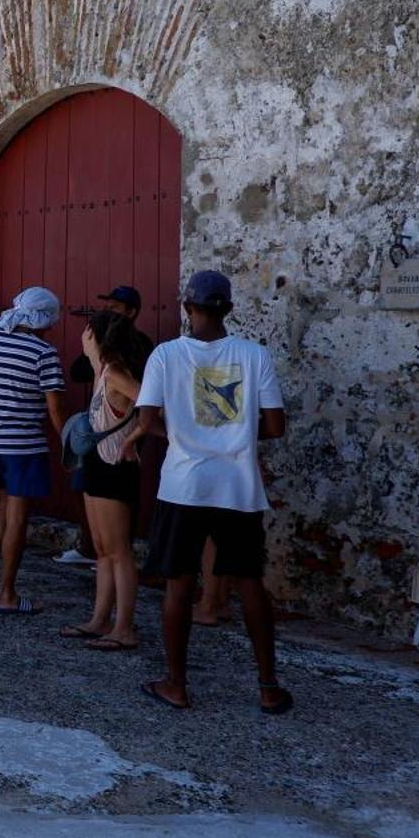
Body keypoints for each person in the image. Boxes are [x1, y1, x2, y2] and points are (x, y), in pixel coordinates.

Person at [130, 270, 293, 715]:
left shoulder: (165, 355)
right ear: (229, 308)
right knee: (249, 584)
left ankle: (176, 684)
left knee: (178, 585)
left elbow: (146, 422)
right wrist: (231, 434)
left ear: (187, 307)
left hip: (184, 484)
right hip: (238, 487)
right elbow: (275, 427)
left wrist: (185, 434)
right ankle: (267, 686)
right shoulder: (255, 355)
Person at [0, 286, 67, 614]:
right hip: (23, 446)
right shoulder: (43, 353)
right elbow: (55, 411)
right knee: (18, 518)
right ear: (43, 319)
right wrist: (71, 447)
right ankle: (7, 594)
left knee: (2, 508)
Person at [60, 311, 145, 650]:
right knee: (102, 549)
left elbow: (154, 404)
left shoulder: (115, 374)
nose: (81, 335)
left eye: (86, 330)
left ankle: (124, 628)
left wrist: (133, 437)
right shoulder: (101, 372)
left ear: (95, 335)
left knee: (119, 551)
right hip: (98, 464)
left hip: (115, 467)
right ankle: (99, 619)